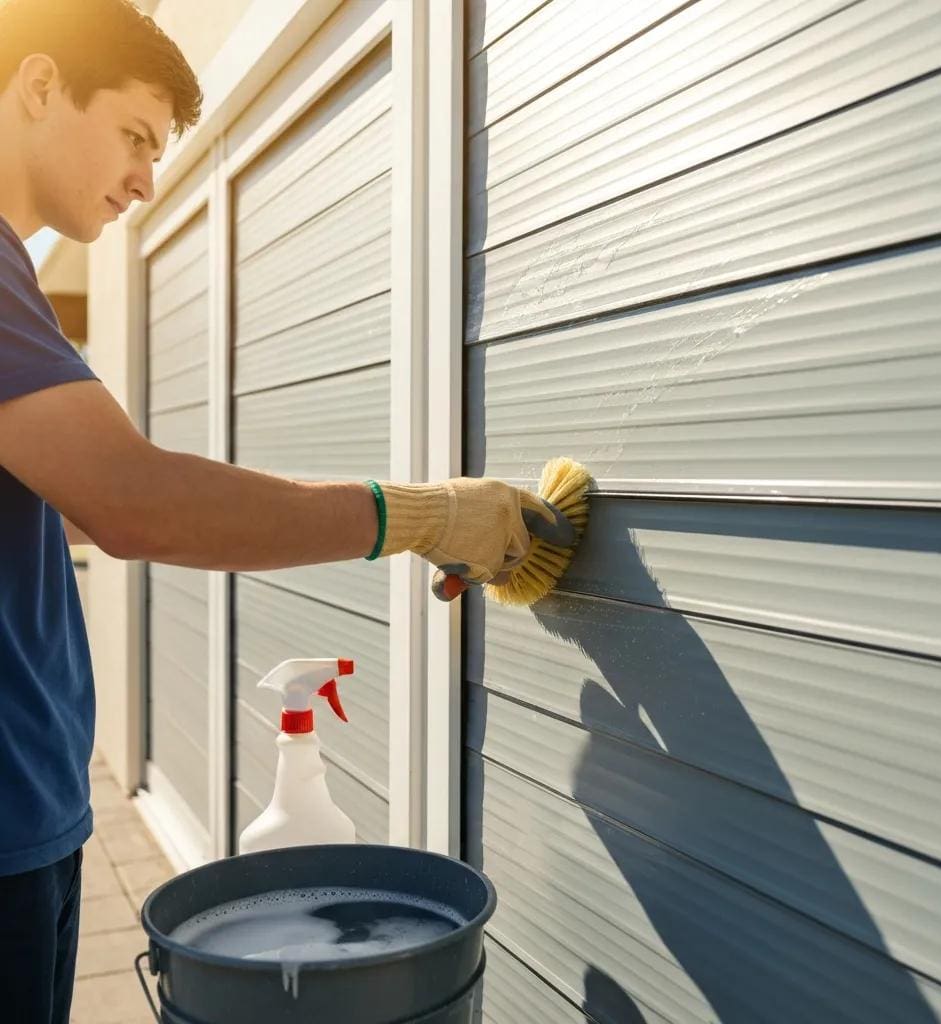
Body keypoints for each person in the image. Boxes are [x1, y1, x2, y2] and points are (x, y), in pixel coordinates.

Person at [0, 1, 560, 1019]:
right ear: (39, 85)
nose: (144, 180)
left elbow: (75, 501)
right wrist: (421, 517)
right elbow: (131, 501)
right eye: (134, 135)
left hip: (28, 817)